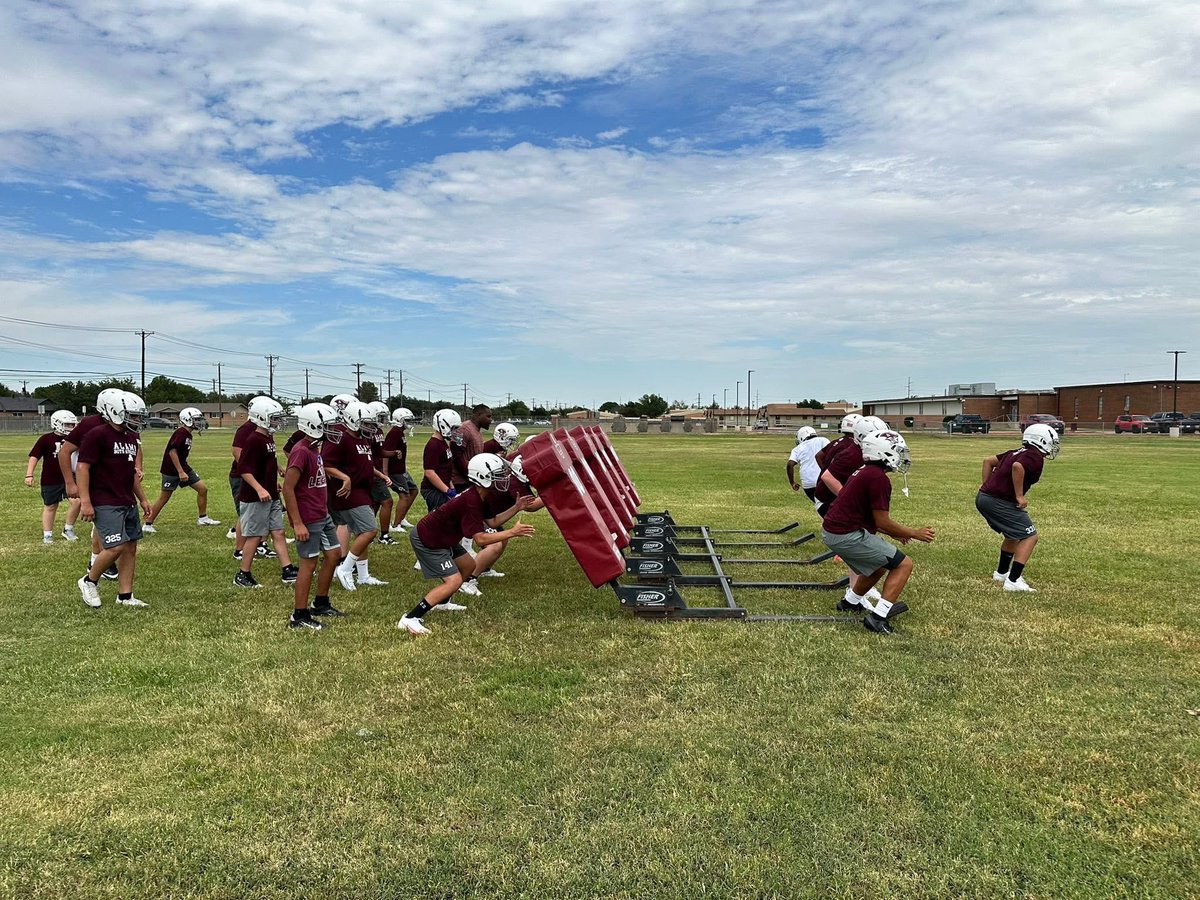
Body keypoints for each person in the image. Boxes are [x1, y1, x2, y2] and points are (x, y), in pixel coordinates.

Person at [399, 453, 535, 635]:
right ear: (482, 477)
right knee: (453, 581)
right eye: (498, 475)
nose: (503, 478)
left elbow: (493, 522)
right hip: (429, 539)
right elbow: (480, 539)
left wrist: (516, 507)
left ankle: (444, 603)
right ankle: (410, 618)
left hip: (443, 537)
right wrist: (512, 532)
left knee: (469, 565)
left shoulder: (481, 495)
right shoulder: (472, 501)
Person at [820, 430, 935, 634]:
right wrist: (914, 533)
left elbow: (870, 518)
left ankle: (850, 602)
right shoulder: (878, 478)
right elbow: (882, 520)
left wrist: (894, 533)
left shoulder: (865, 471)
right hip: (845, 534)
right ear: (884, 452)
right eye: (898, 451)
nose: (902, 457)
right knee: (904, 564)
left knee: (880, 565)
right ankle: (878, 617)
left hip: (835, 531)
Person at [75, 391, 152, 609]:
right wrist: (86, 501)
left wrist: (143, 499)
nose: (137, 420)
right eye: (133, 415)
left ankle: (125, 596)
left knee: (130, 547)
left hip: (125, 499)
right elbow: (82, 467)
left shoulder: (130, 437)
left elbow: (130, 474)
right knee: (115, 546)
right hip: (104, 499)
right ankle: (89, 581)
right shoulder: (98, 434)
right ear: (116, 412)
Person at [58, 387, 137, 579]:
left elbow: (135, 445)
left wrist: (137, 468)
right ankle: (99, 565)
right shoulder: (91, 425)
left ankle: (97, 561)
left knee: (104, 528)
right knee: (104, 525)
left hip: (116, 481)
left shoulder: (125, 426)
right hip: (95, 481)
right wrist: (70, 482)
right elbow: (65, 452)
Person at [282, 402, 345, 630]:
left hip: (321, 513)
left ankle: (320, 602)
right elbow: (288, 488)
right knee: (308, 564)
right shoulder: (301, 451)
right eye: (327, 426)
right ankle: (298, 616)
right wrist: (297, 522)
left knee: (334, 554)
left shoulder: (314, 447)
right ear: (313, 425)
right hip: (308, 517)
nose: (333, 431)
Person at [976, 423, 1059, 592]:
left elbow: (988, 461)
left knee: (1013, 535)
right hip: (999, 501)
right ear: (1042, 440)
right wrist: (1019, 495)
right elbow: (1017, 467)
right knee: (1030, 536)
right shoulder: (1033, 456)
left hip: (985, 498)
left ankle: (1001, 573)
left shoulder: (1016, 451)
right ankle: (1013, 580)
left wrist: (986, 486)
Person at [233, 397, 298, 588]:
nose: (277, 422)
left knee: (278, 531)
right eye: (274, 418)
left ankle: (287, 569)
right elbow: (244, 469)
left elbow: (266, 466)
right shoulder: (253, 439)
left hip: (270, 494)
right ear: (262, 418)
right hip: (255, 497)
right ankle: (243, 574)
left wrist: (272, 483)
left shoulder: (267, 437)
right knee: (254, 535)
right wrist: (260, 488)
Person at [323, 400, 388, 590]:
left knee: (362, 533)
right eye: (365, 423)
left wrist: (380, 474)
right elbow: (326, 463)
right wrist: (345, 478)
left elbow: (364, 463)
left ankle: (363, 575)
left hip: (362, 490)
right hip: (349, 493)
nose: (369, 427)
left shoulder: (361, 438)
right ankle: (345, 568)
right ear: (352, 419)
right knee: (370, 530)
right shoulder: (341, 438)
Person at [142, 407, 220, 533]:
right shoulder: (181, 433)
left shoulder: (188, 433)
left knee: (202, 489)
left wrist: (183, 470)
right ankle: (147, 524)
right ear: (187, 419)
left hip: (183, 467)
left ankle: (203, 518)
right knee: (164, 498)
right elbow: (173, 452)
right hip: (172, 470)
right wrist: (180, 471)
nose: (199, 422)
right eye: (196, 420)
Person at [26, 409, 80, 543]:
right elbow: (34, 456)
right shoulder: (46, 439)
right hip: (51, 479)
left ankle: (68, 529)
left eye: (73, 424)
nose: (71, 427)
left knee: (77, 501)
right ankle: (48, 534)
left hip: (70, 478)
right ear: (57, 423)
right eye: (68, 424)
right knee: (51, 506)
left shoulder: (75, 439)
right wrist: (29, 474)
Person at [228, 396, 273, 556]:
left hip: (261, 478)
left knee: (262, 513)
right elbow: (237, 451)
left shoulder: (266, 430)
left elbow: (268, 455)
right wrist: (250, 472)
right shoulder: (247, 429)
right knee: (246, 514)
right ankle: (239, 550)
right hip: (244, 477)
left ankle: (261, 544)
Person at [382, 407, 418, 533]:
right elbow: (385, 453)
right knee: (404, 495)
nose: (409, 423)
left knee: (413, 490)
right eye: (406, 420)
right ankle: (396, 525)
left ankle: (401, 518)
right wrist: (385, 472)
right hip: (394, 471)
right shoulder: (394, 433)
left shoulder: (400, 432)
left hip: (401, 469)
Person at [420, 409, 464, 512]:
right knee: (437, 518)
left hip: (441, 487)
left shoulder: (442, 442)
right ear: (444, 425)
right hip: (432, 489)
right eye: (453, 428)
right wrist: (447, 490)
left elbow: (445, 469)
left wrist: (451, 487)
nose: (455, 432)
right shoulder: (433, 445)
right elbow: (429, 472)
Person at [365, 401, 396, 545]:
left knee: (375, 503)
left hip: (376, 471)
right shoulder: (366, 432)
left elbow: (380, 452)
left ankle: (367, 532)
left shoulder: (378, 431)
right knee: (387, 502)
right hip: (371, 472)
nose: (383, 420)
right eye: (381, 417)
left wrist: (393, 453)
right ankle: (384, 535)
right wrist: (381, 474)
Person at [786, 426, 829, 503]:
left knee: (821, 506)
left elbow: (790, 464)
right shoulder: (823, 440)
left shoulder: (797, 448)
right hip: (824, 480)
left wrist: (792, 482)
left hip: (808, 484)